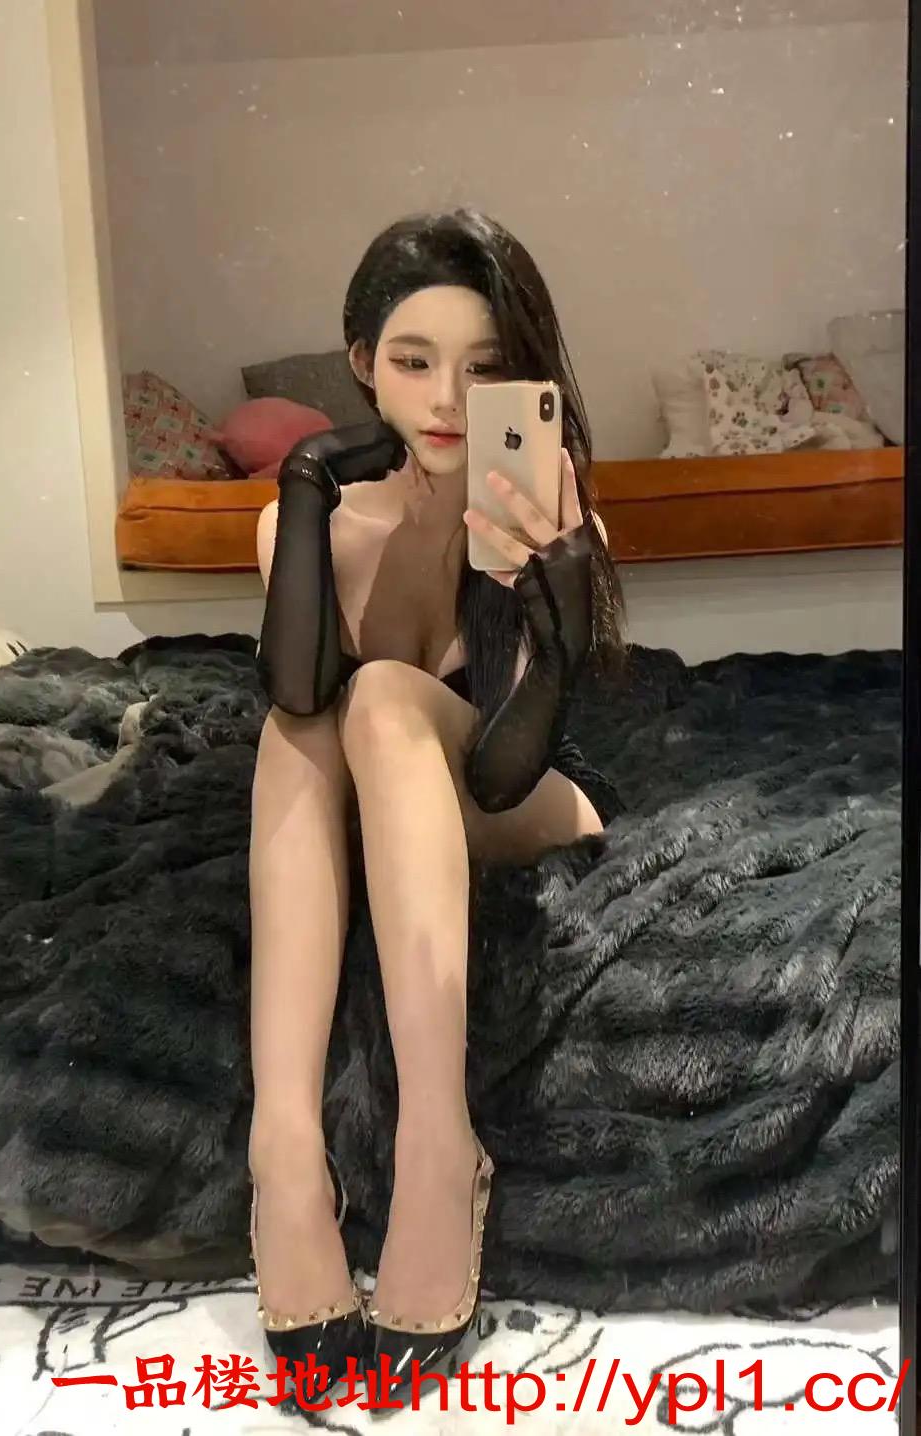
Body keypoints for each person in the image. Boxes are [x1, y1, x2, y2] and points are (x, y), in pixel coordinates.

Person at [247, 207, 625, 1401]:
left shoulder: (540, 509)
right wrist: (306, 479)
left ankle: (432, 1142)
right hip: (363, 797)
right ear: (362, 362)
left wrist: (557, 613)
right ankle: (283, 1153)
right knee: (305, 720)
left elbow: (503, 773)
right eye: (413, 361)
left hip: (513, 794)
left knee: (378, 698)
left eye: (483, 366)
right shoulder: (308, 514)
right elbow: (297, 690)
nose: (448, 398)